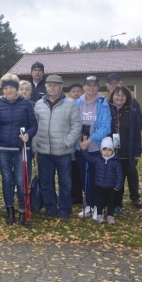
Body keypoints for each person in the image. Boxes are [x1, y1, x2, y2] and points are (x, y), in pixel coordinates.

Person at [32, 74, 82, 220]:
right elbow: (34, 126)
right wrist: (35, 146)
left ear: (61, 87)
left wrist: (67, 141)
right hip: (43, 151)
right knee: (46, 182)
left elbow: (76, 125)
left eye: (55, 85)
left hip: (63, 151)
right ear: (46, 86)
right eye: (49, 85)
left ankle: (65, 210)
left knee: (65, 183)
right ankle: (50, 208)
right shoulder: (39, 104)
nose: (52, 87)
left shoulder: (70, 103)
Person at [0, 73, 37, 226]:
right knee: (7, 180)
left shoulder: (26, 104)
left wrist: (28, 135)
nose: (9, 90)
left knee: (21, 180)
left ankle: (23, 211)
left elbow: (34, 125)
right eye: (6, 88)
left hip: (21, 148)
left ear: (17, 89)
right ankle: (10, 210)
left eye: (12, 88)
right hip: (3, 148)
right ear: (3, 90)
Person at [75, 76, 111, 219]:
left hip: (95, 148)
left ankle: (98, 206)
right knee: (85, 176)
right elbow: (72, 122)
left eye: (94, 85)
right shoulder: (77, 103)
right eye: (88, 85)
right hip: (79, 147)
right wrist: (78, 140)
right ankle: (89, 204)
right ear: (84, 87)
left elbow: (105, 127)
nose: (91, 88)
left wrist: (89, 141)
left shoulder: (103, 103)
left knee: (97, 178)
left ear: (98, 87)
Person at [105, 73, 142, 209]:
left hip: (129, 147)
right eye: (111, 83)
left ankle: (135, 196)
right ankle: (116, 201)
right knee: (117, 176)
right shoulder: (106, 106)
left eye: (117, 83)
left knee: (131, 172)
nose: (114, 86)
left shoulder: (133, 106)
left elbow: (138, 126)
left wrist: (137, 148)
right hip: (114, 148)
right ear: (108, 86)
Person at [82, 137, 123, 224]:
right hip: (99, 185)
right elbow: (88, 157)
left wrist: (118, 185)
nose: (107, 152)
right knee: (99, 201)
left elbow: (119, 175)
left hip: (110, 186)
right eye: (104, 149)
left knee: (110, 201)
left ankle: (110, 216)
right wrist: (84, 149)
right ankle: (99, 215)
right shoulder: (98, 159)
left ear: (112, 150)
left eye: (109, 150)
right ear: (101, 150)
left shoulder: (115, 162)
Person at [67, 82, 85, 205]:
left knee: (83, 171)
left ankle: (87, 195)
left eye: (79, 91)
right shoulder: (66, 105)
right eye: (74, 91)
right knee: (72, 173)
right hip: (70, 145)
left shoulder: (86, 105)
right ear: (70, 93)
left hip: (84, 144)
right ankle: (75, 197)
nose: (76, 93)